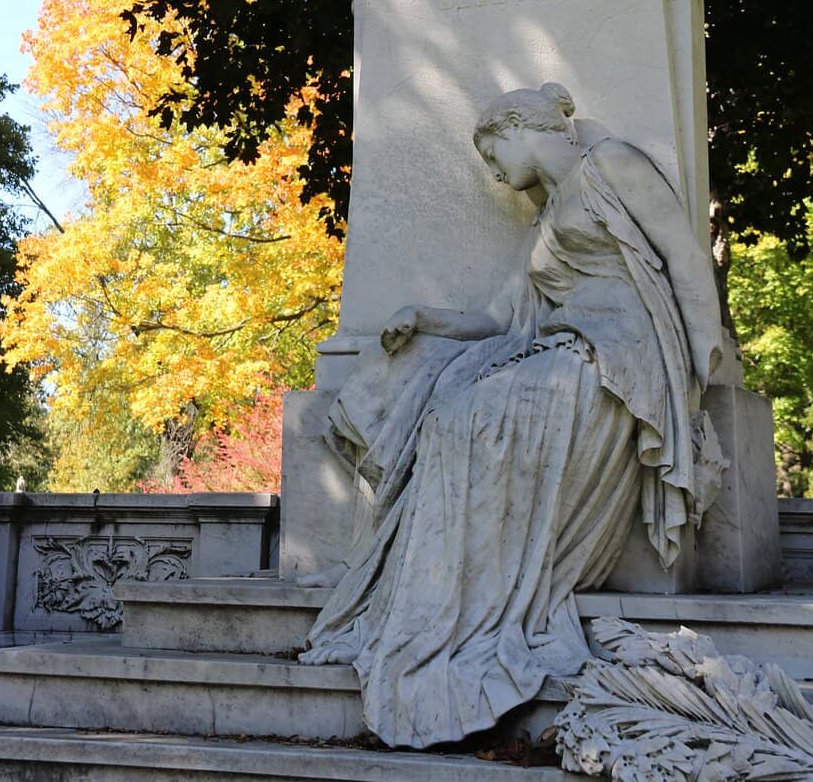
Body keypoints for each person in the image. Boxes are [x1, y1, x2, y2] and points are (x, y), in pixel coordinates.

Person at [299, 83, 723, 749]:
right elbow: (498, 317)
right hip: (563, 351)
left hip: (618, 355)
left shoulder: (612, 165)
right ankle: (448, 599)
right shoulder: (544, 223)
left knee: (482, 412)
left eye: (491, 151)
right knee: (450, 411)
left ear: (519, 125)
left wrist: (703, 354)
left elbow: (682, 254)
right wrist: (423, 318)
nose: (493, 171)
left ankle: (476, 599)